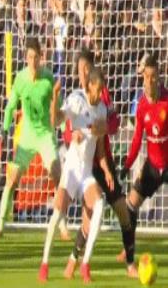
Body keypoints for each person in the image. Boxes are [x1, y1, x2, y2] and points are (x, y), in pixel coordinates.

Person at [63, 49, 138, 279]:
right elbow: (66, 130)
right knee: (89, 217)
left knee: (123, 212)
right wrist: (73, 135)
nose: (83, 73)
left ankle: (130, 264)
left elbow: (115, 121)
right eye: (80, 70)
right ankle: (74, 260)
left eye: (86, 68)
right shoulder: (75, 99)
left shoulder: (103, 95)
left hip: (104, 162)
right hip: (84, 166)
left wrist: (106, 127)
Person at [0, 37, 70, 241]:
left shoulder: (48, 78)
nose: (33, 61)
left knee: (57, 174)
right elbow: (10, 107)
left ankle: (63, 225)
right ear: (26, 58)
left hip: (45, 135)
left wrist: (65, 132)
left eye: (36, 57)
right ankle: (0, 225)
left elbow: (59, 109)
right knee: (12, 179)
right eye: (30, 57)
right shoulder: (20, 79)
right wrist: (4, 132)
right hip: (27, 136)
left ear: (41, 58)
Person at [39, 68, 111, 283]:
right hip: (71, 169)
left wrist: (106, 170)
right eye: (97, 89)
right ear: (89, 86)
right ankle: (44, 264)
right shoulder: (76, 99)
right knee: (57, 214)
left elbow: (100, 148)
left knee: (100, 204)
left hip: (86, 172)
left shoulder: (102, 109)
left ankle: (85, 264)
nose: (99, 94)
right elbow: (55, 121)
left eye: (102, 90)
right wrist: (54, 97)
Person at [118, 55, 168, 267]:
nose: (150, 81)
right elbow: (137, 139)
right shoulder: (141, 106)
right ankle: (128, 247)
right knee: (130, 205)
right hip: (153, 166)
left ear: (159, 77)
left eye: (153, 76)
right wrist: (127, 165)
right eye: (146, 77)